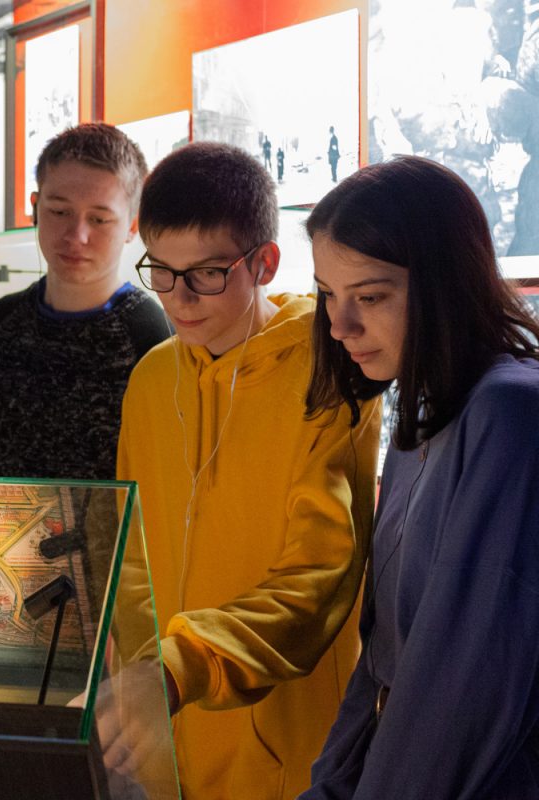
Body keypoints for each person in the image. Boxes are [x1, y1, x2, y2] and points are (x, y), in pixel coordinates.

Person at [108, 142, 380, 799]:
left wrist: (180, 667)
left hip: (291, 754)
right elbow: (132, 554)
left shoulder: (330, 369)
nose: (179, 298)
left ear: (265, 262)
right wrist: (143, 680)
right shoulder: (151, 379)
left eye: (206, 273)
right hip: (168, 739)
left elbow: (320, 577)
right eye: (161, 271)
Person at [301, 157, 539, 798]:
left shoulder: (511, 413)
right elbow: (381, 662)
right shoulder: (423, 409)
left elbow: (464, 686)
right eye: (327, 294)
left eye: (370, 297)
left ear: (447, 283)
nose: (339, 326)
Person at [0, 122, 167, 481]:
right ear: (36, 207)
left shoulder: (152, 336)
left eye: (99, 219)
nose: (77, 235)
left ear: (132, 226)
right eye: (59, 211)